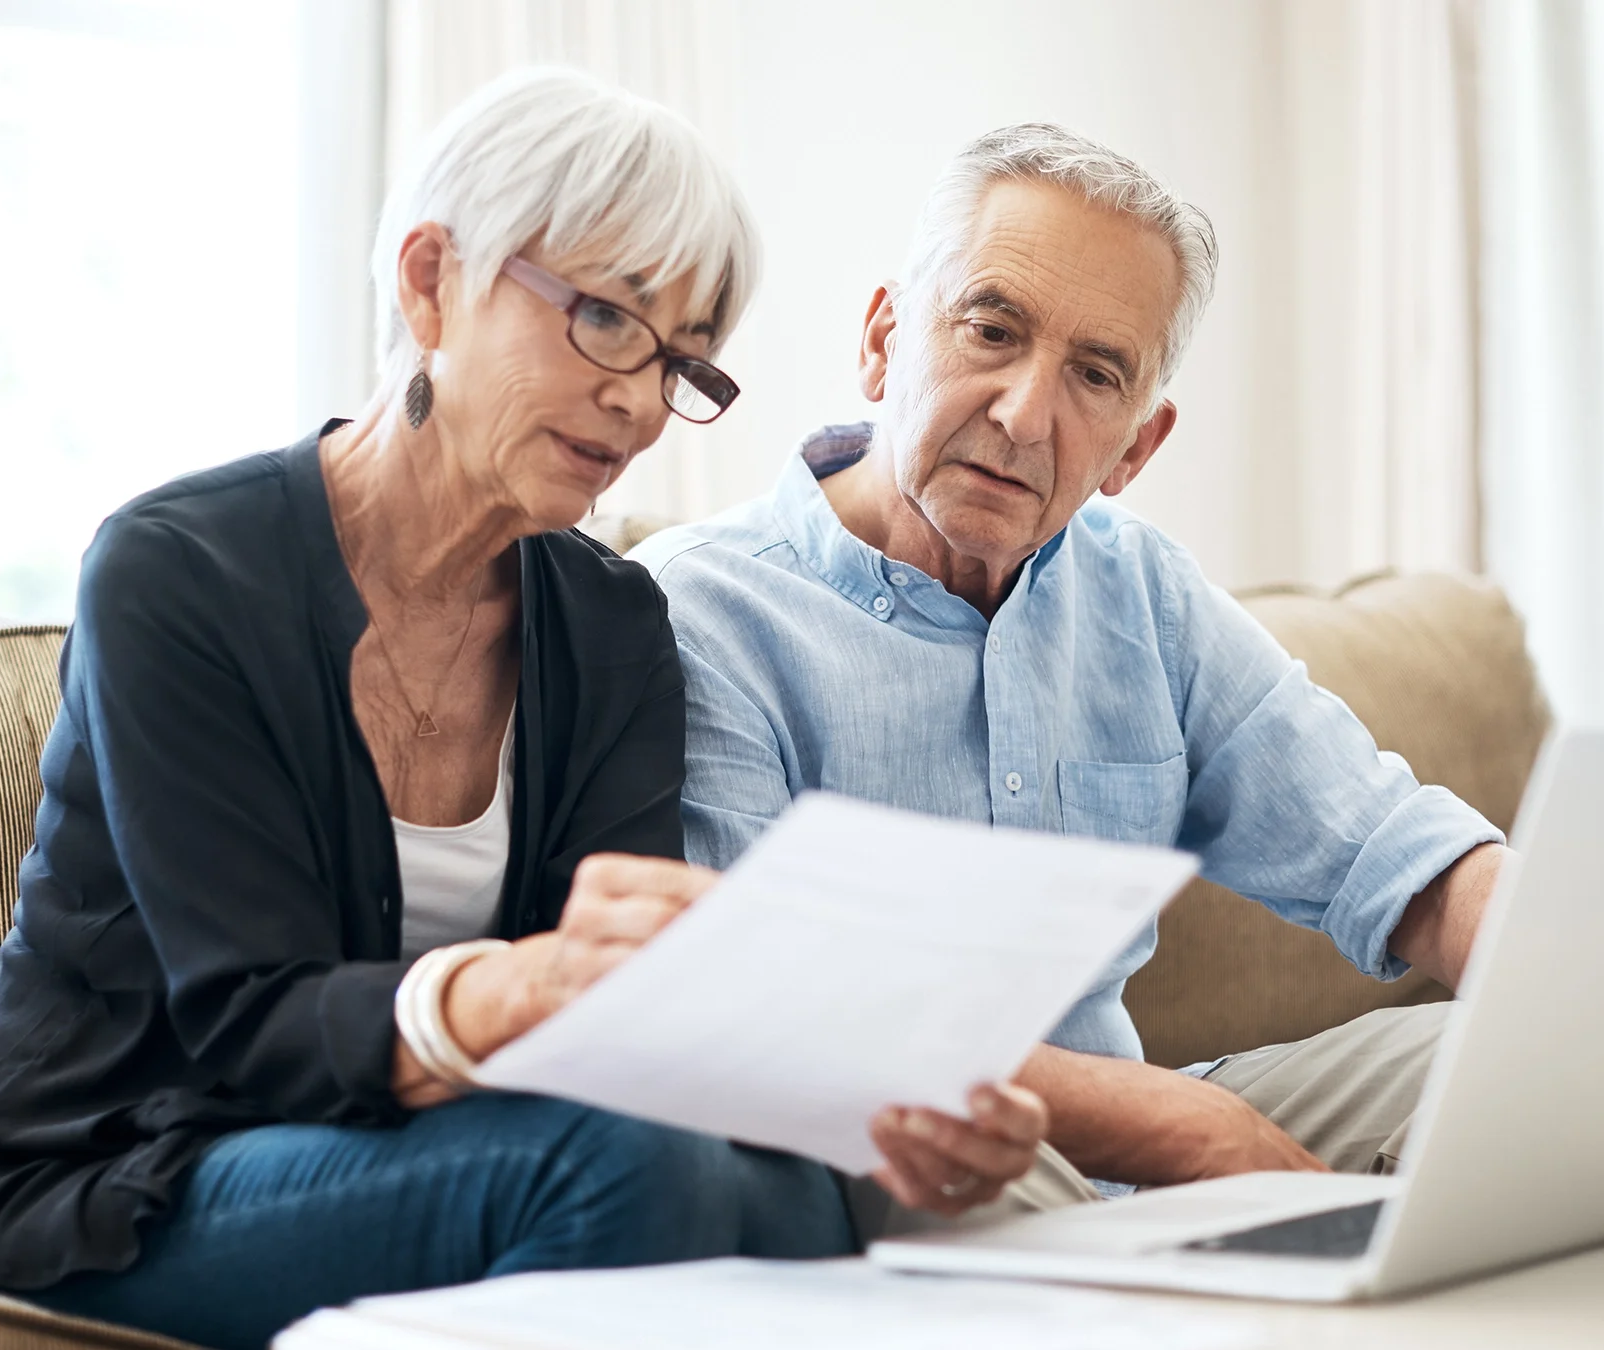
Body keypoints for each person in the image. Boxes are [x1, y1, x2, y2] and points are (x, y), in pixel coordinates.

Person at [0, 71, 1048, 1350]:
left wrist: (887, 1110)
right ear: (432, 280)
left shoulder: (611, 625)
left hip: (410, 1155)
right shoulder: (179, 572)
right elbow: (248, 1016)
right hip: (115, 1182)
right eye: (606, 318)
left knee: (807, 1202)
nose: (633, 397)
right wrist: (505, 993)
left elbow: (630, 1023)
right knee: (626, 1171)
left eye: (679, 362)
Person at [633, 123, 1510, 1219]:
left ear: (1136, 448)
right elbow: (765, 1011)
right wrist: (1183, 1126)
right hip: (897, 1146)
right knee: (918, 1149)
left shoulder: (1141, 592)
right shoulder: (700, 611)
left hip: (1128, 1160)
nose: (1024, 413)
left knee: (1488, 1068)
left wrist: (1600, 976)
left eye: (1095, 375)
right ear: (883, 340)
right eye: (991, 330)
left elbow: (1394, 852)